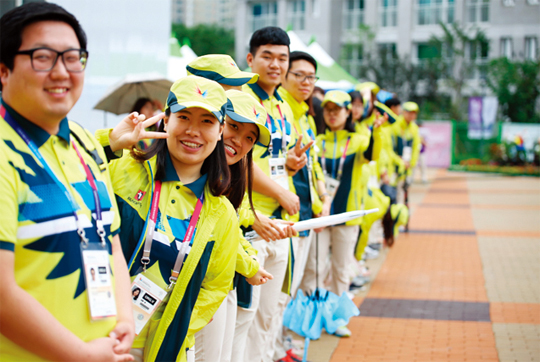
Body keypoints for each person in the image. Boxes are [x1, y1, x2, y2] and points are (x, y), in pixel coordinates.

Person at [0, 3, 134, 361]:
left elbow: (112, 244)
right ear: (3, 70)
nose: (61, 72)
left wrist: (125, 316)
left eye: (73, 58)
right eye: (42, 57)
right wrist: (81, 355)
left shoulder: (85, 143)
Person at [103, 75, 240, 362]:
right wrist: (111, 143)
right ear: (165, 120)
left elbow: (216, 286)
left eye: (207, 121)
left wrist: (178, 326)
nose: (193, 131)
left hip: (163, 347)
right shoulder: (124, 171)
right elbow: (70, 171)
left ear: (220, 131)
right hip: (100, 336)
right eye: (184, 117)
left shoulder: (222, 213)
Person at [234, 27, 310, 362]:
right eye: (267, 56)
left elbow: (274, 160)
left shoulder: (283, 105)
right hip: (250, 222)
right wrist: (281, 192)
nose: (275, 64)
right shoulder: (242, 101)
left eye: (282, 57)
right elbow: (238, 161)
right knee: (243, 317)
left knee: (270, 313)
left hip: (282, 223)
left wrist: (291, 165)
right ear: (250, 59)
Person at [308, 91, 384, 338]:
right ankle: (313, 318)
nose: (332, 114)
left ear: (348, 111)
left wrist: (377, 131)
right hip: (320, 215)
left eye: (337, 109)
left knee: (341, 270)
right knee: (315, 269)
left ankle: (337, 320)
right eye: (327, 109)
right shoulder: (316, 140)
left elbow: (372, 155)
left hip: (347, 216)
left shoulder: (360, 139)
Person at [275, 51, 331, 362]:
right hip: (284, 214)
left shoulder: (306, 115)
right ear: (285, 75)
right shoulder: (280, 110)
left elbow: (314, 164)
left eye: (311, 77)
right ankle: (276, 349)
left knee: (292, 287)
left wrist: (322, 198)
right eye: (300, 75)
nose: (306, 82)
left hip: (307, 211)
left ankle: (282, 345)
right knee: (279, 292)